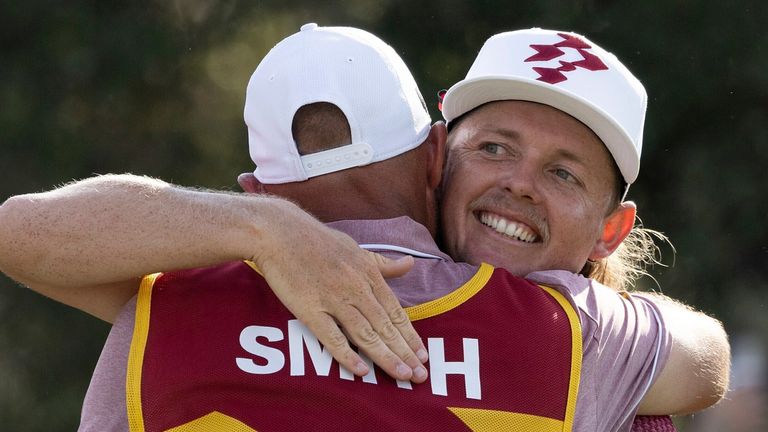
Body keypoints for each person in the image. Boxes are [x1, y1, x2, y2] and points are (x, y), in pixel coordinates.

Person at [0, 25, 727, 431]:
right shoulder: (577, 340)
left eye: (564, 173)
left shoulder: (166, 298)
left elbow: (23, 232)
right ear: (438, 157)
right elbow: (708, 360)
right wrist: (269, 233)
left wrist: (260, 227)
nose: (518, 183)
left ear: (613, 231)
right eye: (496, 147)